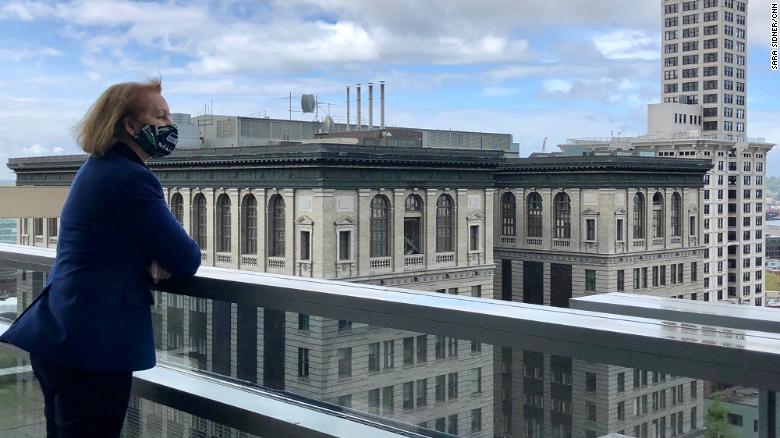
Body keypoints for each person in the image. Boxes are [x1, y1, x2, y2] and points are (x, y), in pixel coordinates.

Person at [0, 79, 201, 437]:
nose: (171, 125)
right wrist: (157, 255)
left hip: (62, 335)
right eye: (161, 116)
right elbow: (186, 258)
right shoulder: (131, 178)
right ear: (131, 126)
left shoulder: (98, 168)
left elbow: (108, 244)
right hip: (91, 349)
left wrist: (146, 253)